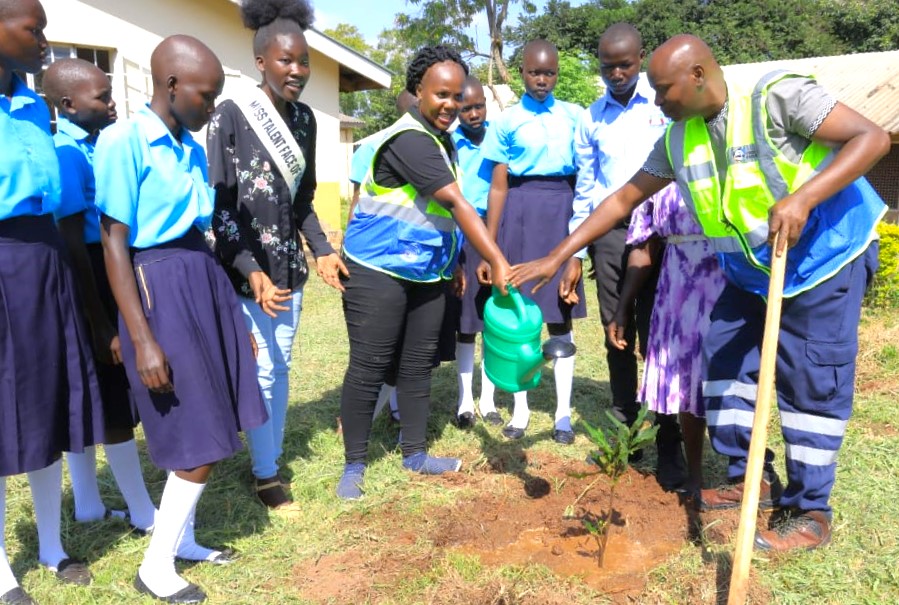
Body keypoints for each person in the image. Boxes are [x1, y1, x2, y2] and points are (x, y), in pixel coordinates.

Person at [512, 34, 889, 552]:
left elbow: (872, 138)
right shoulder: (677, 139)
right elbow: (622, 199)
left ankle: (810, 510)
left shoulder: (776, 97)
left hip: (826, 258)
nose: (657, 102)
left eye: (663, 90)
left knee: (810, 384)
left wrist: (804, 197)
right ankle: (747, 477)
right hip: (753, 272)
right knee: (723, 362)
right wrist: (559, 254)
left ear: (697, 76)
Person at [96, 35, 268, 601]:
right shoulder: (125, 141)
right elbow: (114, 242)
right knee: (198, 435)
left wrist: (234, 319)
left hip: (202, 280)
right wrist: (141, 338)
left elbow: (202, 234)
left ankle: (184, 540)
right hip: (158, 285)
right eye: (206, 95)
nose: (211, 108)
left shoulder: (189, 147)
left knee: (215, 418)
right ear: (171, 85)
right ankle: (154, 567)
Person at [337, 45, 512, 500]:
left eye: (456, 96)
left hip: (425, 273)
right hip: (378, 269)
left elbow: (435, 217)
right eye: (441, 95)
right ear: (419, 91)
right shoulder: (409, 140)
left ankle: (414, 454)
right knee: (370, 366)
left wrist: (453, 264)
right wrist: (496, 259)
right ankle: (354, 465)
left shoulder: (441, 140)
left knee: (417, 366)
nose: (450, 105)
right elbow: (455, 202)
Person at [207, 0, 346, 512]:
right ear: (261, 62)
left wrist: (323, 250)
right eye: (286, 60)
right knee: (261, 369)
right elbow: (219, 208)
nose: (298, 71)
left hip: (289, 269)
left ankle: (269, 454)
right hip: (246, 270)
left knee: (281, 366)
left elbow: (302, 199)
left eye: (304, 61)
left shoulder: (306, 120)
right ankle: (266, 472)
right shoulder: (230, 116)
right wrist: (250, 270)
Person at [0, 1, 105, 600]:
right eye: (33, 28)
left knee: (47, 401)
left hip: (44, 261)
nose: (44, 39)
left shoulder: (34, 106)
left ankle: (51, 545)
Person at [44, 58, 158, 535]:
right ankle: (142, 510)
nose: (113, 105)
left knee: (94, 391)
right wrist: (100, 322)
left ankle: (88, 504)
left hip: (107, 264)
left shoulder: (99, 144)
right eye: (102, 97)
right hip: (89, 273)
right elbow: (73, 239)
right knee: (110, 396)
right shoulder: (66, 153)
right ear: (68, 105)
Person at [570, 24, 684, 477]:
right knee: (615, 332)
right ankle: (625, 437)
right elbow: (585, 188)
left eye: (625, 65)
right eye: (607, 67)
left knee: (659, 333)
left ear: (640, 59)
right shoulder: (590, 118)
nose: (616, 74)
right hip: (611, 234)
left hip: (661, 233)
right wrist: (578, 251)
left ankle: (669, 439)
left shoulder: (663, 107)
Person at [479, 39, 586, 444]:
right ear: (521, 72)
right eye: (534, 72)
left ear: (557, 73)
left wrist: (577, 250)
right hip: (519, 213)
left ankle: (562, 414)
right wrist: (491, 249)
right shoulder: (506, 121)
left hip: (563, 212)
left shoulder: (575, 117)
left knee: (560, 316)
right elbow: (498, 187)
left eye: (549, 73)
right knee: (519, 317)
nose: (542, 80)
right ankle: (521, 410)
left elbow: (585, 180)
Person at [607, 184, 726, 496]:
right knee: (685, 382)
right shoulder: (659, 178)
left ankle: (748, 467)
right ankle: (695, 474)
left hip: (726, 282)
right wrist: (622, 308)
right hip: (677, 290)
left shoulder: (727, 168)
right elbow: (643, 248)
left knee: (731, 377)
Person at [346, 89, 418, 424]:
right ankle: (362, 414)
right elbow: (357, 203)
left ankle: (396, 405)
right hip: (377, 258)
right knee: (375, 344)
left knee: (408, 341)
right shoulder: (375, 147)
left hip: (414, 258)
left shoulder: (434, 145)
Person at [451, 75, 500, 427]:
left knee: (493, 321)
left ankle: (489, 399)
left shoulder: (500, 137)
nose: (473, 114)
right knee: (466, 323)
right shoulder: (450, 142)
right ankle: (465, 400)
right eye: (466, 108)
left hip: (496, 232)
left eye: (478, 106)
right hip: (463, 234)